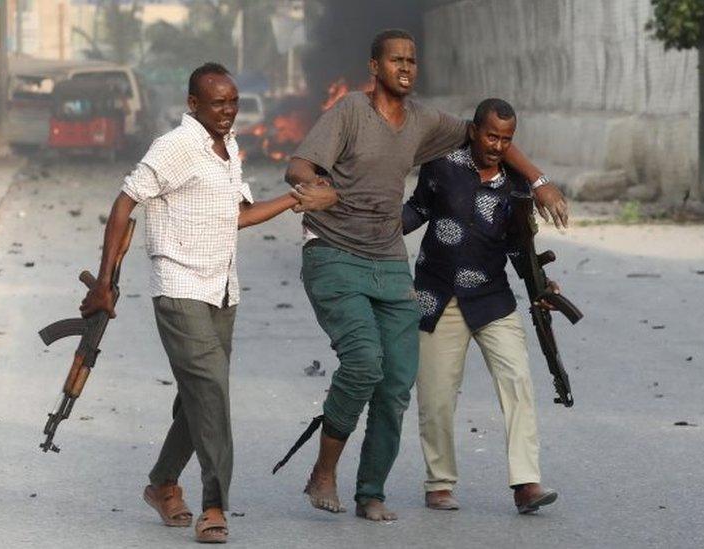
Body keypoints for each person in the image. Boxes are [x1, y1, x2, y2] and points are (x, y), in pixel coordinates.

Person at [283, 29, 570, 521]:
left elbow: (496, 150)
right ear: (375, 66)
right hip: (375, 269)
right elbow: (304, 168)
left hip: (431, 276)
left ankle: (374, 491)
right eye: (397, 60)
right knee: (381, 370)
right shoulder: (360, 116)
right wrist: (318, 189)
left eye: (413, 61)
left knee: (400, 382)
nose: (407, 68)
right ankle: (354, 475)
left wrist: (540, 183)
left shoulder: (429, 125)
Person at [79, 62, 319, 544]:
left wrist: (298, 199)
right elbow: (125, 203)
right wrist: (105, 281)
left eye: (232, 102)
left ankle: (163, 482)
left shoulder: (228, 148)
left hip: (222, 290)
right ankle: (214, 506)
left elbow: (241, 215)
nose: (228, 111)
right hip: (179, 287)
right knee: (211, 392)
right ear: (194, 105)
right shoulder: (174, 147)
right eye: (218, 103)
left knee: (198, 397)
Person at [404, 98, 559, 515]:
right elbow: (416, 211)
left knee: (518, 383)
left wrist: (541, 284)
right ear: (474, 131)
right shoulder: (440, 168)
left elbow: (518, 247)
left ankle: (526, 483)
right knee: (436, 396)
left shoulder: (515, 186)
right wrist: (372, 226)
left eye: (506, 139)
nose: (496, 145)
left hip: (493, 300)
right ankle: (439, 483)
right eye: (491, 135)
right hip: (437, 298)